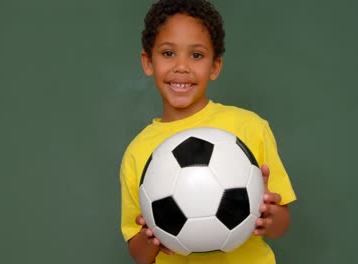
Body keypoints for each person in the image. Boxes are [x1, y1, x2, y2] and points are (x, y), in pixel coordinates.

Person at [119, 0, 296, 263]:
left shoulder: (249, 127)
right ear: (148, 62)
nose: (182, 66)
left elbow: (281, 225)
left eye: (196, 55)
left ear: (215, 66)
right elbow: (139, 254)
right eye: (168, 53)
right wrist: (151, 234)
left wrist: (269, 215)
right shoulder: (137, 152)